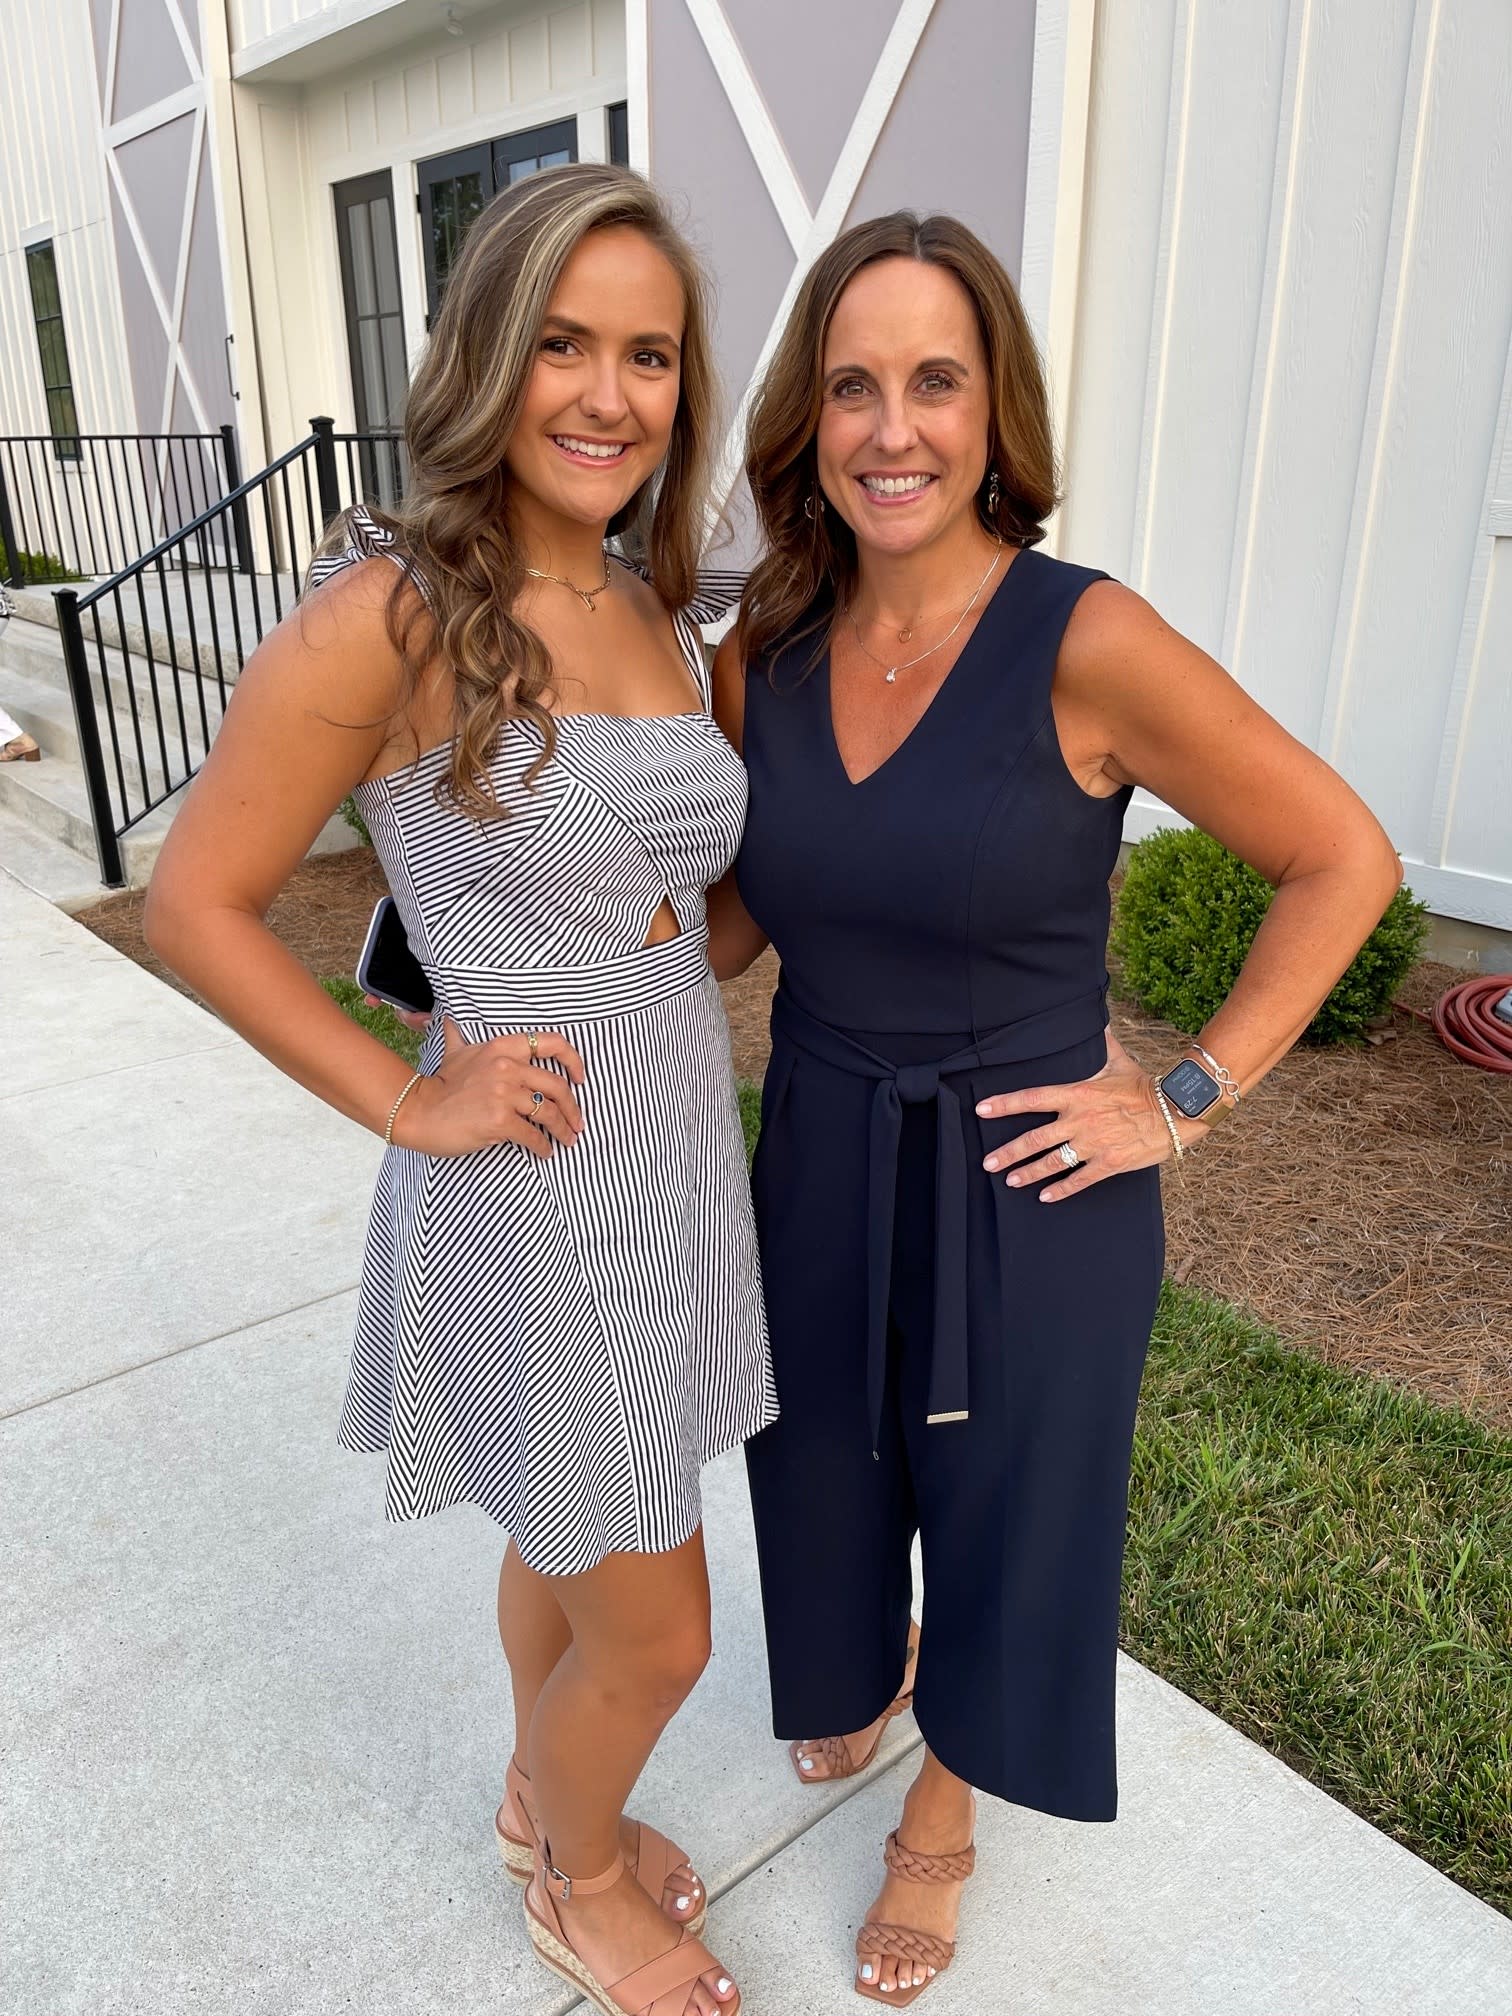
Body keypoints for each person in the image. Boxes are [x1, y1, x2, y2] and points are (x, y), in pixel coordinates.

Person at [704, 210, 1403, 2005]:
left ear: (995, 408)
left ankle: (945, 1812)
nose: (894, 430)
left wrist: (1184, 1095)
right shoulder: (767, 644)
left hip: (1033, 1183)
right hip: (824, 1152)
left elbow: (1341, 856)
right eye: (853, 386)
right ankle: (866, 1665)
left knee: (1012, 1512)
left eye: (935, 382)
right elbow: (735, 921)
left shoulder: (1084, 638)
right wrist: (525, 938)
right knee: (824, 1468)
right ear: (805, 418)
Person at [145, 164, 772, 2016]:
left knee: (565, 1532)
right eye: (564, 343)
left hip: (671, 1146)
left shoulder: (653, 601)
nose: (608, 394)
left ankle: (535, 1794)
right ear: (487, 354)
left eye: (648, 355)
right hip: (535, 1174)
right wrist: (407, 1097)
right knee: (660, 1637)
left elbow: (694, 911)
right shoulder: (395, 615)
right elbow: (197, 902)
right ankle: (582, 1874)